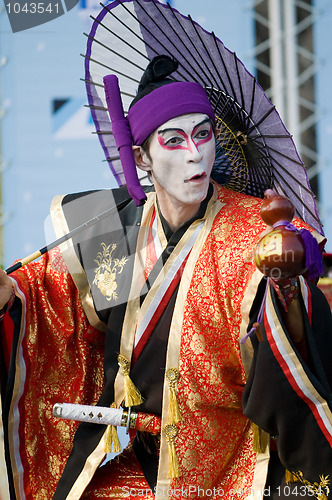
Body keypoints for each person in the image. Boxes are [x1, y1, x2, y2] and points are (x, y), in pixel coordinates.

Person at [0, 52, 331, 500]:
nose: (196, 155)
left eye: (204, 135)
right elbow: (48, 299)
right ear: (141, 156)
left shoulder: (252, 234)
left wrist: (287, 286)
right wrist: (11, 294)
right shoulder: (114, 223)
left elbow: (290, 349)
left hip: (221, 463)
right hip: (122, 458)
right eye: (173, 140)